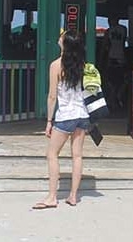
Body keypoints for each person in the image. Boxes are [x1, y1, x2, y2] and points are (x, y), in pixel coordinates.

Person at [35, 28, 92, 210]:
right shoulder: (83, 64)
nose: (59, 37)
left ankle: (52, 197)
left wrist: (49, 121)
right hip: (82, 115)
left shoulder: (56, 65)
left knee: (52, 154)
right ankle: (73, 196)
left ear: (65, 43)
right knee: (77, 155)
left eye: (62, 36)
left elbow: (52, 96)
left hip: (66, 116)